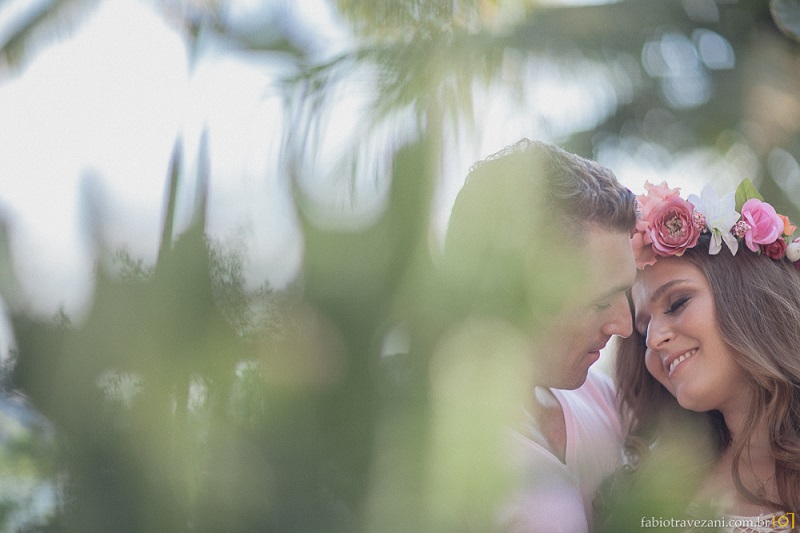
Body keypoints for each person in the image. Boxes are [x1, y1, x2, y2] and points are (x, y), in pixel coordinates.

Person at [441, 139, 638, 532]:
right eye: (600, 303)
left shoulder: (604, 399)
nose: (625, 326)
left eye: (626, 293)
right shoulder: (434, 457)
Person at [602, 180, 800, 532]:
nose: (654, 339)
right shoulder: (647, 485)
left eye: (677, 303)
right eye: (643, 327)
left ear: (753, 297)